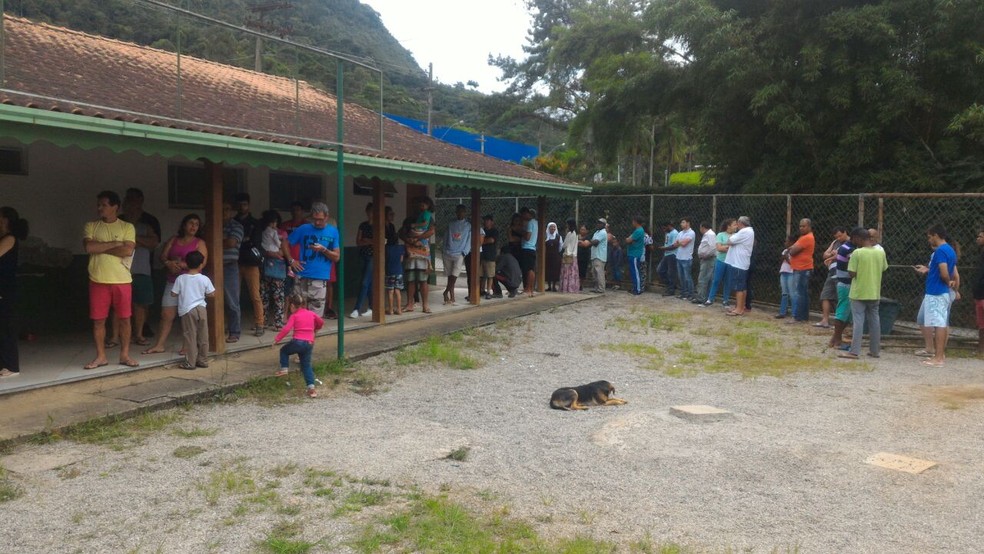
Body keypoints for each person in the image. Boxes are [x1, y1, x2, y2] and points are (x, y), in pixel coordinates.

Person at [83, 191, 138, 369]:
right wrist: (115, 244)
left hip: (122, 280)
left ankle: (124, 355)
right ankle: (101, 356)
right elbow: (89, 247)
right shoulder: (91, 225)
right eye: (98, 205)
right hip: (98, 279)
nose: (100, 208)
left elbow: (128, 251)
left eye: (104, 205)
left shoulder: (127, 227)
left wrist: (101, 247)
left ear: (115, 207)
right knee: (98, 320)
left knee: (125, 319)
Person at [142, 214, 207, 355]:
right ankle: (159, 345)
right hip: (172, 281)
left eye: (196, 224)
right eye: (191, 223)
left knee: (188, 315)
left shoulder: (199, 243)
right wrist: (168, 263)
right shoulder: (174, 239)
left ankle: (187, 345)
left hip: (191, 284)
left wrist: (180, 265)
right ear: (184, 225)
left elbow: (201, 264)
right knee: (166, 313)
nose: (193, 226)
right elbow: (163, 256)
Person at [118, 188, 160, 347]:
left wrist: (132, 239)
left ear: (141, 201)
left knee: (141, 304)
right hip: (120, 270)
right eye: (127, 200)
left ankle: (139, 333)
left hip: (143, 268)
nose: (130, 203)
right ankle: (118, 336)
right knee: (121, 305)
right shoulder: (118, 221)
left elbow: (154, 243)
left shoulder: (148, 222)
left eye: (133, 200)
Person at [840, 229, 888, 360]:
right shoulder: (880, 252)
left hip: (858, 292)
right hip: (874, 292)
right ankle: (875, 350)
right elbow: (884, 268)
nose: (853, 241)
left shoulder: (857, 253)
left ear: (859, 238)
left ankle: (854, 351)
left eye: (854, 239)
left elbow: (852, 273)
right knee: (874, 321)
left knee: (858, 322)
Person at [288, 202, 340, 319]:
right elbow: (285, 242)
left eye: (320, 219)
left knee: (315, 317)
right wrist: (291, 260)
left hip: (319, 278)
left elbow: (337, 257)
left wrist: (323, 250)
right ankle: (301, 337)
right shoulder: (303, 229)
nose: (317, 222)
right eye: (315, 219)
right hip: (301, 276)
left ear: (326, 217)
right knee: (298, 314)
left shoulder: (333, 232)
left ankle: (311, 338)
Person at [914, 224, 957, 367]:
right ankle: (938, 355)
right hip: (939, 291)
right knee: (940, 323)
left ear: (936, 235)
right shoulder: (950, 250)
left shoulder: (940, 251)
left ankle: (938, 358)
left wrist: (947, 281)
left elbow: (944, 271)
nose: (929, 240)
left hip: (937, 291)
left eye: (930, 237)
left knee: (939, 324)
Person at [272, 293, 325, 398]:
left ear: (292, 306)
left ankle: (284, 369)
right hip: (309, 343)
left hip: (297, 342)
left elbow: (286, 329)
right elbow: (321, 322)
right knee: (306, 366)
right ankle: (312, 389)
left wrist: (277, 340)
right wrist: (316, 328)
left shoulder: (294, 315)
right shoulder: (311, 314)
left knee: (284, 351)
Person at [170, 250, 215, 370]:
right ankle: (203, 360)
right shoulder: (204, 279)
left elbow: (173, 294)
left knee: (190, 336)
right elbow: (212, 294)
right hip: (201, 308)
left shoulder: (181, 278)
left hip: (187, 310)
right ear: (201, 265)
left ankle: (190, 362)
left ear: (186, 264)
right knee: (203, 335)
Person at [0, 207, 28, 378]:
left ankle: (11, 366)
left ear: (5, 220)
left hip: (5, 288)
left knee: (6, 327)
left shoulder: (9, 238)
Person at [233, 193, 265, 336]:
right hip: (235, 262)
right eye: (240, 204)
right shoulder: (232, 221)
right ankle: (234, 326)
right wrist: (244, 240)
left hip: (252, 263)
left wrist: (240, 242)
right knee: (234, 296)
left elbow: (255, 242)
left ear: (249, 205)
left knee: (255, 296)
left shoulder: (255, 222)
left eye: (244, 204)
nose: (242, 207)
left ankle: (260, 324)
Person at [829, 227, 864, 349]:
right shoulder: (850, 250)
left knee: (847, 313)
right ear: (856, 238)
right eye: (862, 240)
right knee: (842, 311)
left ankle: (835, 337)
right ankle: (837, 338)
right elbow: (853, 269)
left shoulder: (847, 247)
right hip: (846, 284)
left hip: (844, 283)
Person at [260, 209, 292, 330]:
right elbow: (281, 247)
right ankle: (277, 322)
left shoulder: (263, 232)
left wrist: (269, 252)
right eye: (273, 222)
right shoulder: (276, 233)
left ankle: (263, 321)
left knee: (265, 295)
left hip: (267, 264)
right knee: (278, 295)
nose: (274, 224)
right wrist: (279, 247)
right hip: (277, 264)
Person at [400, 212, 433, 313]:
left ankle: (425, 305)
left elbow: (431, 231)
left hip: (423, 256)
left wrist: (417, 238)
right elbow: (401, 233)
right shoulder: (409, 220)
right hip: (411, 255)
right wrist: (410, 241)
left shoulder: (428, 219)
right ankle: (410, 304)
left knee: (423, 281)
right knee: (411, 280)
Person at [816, 227, 848, 328]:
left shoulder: (850, 243)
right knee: (825, 295)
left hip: (842, 272)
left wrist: (833, 256)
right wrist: (831, 255)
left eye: (840, 235)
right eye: (836, 236)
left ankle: (840, 322)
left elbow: (844, 255)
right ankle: (825, 320)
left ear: (845, 232)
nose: (838, 238)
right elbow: (825, 254)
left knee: (840, 298)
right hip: (832, 271)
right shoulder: (835, 242)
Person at [221, 202, 244, 343]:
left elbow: (231, 243)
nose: (224, 211)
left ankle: (234, 331)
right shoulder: (211, 224)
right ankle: (216, 329)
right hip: (212, 266)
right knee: (210, 300)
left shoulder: (236, 226)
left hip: (230, 266)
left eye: (227, 209)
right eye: (222, 209)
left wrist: (216, 240)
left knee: (232, 301)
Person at [787, 218, 815, 323]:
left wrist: (792, 248)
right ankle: (803, 317)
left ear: (809, 226)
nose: (801, 228)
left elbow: (792, 251)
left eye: (804, 226)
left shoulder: (806, 238)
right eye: (800, 226)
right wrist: (792, 248)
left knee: (799, 293)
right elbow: (792, 248)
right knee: (803, 293)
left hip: (802, 268)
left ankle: (797, 317)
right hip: (802, 268)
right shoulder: (804, 237)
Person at [724, 216, 754, 316]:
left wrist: (733, 233)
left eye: (737, 223)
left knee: (739, 288)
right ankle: (740, 306)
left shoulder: (744, 232)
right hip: (742, 262)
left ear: (741, 223)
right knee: (743, 287)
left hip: (739, 263)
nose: (736, 225)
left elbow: (729, 241)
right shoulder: (749, 231)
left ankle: (739, 309)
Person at [442, 204, 471, 305]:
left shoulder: (468, 225)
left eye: (462, 211)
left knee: (454, 275)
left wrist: (464, 252)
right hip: (448, 252)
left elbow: (469, 240)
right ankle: (452, 297)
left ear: (465, 212)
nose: (460, 213)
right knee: (450, 276)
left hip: (460, 253)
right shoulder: (451, 224)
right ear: (456, 212)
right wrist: (444, 249)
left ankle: (446, 291)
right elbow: (446, 237)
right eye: (458, 211)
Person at [703, 219, 735, 307]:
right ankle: (710, 299)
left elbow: (732, 248)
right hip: (721, 260)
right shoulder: (720, 235)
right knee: (716, 280)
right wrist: (730, 247)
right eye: (734, 224)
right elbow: (719, 248)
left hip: (731, 262)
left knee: (728, 281)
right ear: (728, 226)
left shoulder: (736, 235)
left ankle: (726, 300)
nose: (736, 226)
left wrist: (725, 247)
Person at [352, 203, 376, 318]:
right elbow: (358, 241)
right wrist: (368, 241)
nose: (370, 214)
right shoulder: (363, 225)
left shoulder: (378, 225)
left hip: (373, 256)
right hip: (363, 254)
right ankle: (372, 306)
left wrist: (368, 240)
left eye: (372, 211)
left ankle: (357, 308)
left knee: (364, 282)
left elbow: (379, 241)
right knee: (369, 283)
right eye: (369, 211)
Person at [280, 201, 308, 296]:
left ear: (303, 211)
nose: (295, 212)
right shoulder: (285, 225)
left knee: (303, 290)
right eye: (293, 210)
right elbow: (281, 242)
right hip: (287, 261)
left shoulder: (308, 226)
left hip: (303, 262)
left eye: (298, 210)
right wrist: (290, 260)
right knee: (287, 289)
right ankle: (288, 310)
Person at [692, 221, 717, 304]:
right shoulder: (708, 234)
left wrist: (706, 255)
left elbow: (713, 248)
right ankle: (705, 297)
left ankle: (701, 297)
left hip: (708, 259)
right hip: (706, 258)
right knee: (706, 278)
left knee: (703, 278)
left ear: (702, 227)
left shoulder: (710, 234)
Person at [385, 214, 405, 315]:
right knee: (398, 291)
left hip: (390, 272)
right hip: (399, 272)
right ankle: (399, 310)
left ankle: (391, 310)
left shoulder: (387, 249)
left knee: (390, 291)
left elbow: (387, 260)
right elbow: (401, 260)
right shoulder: (401, 248)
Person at [673, 217, 696, 299]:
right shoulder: (680, 233)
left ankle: (691, 294)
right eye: (681, 222)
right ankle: (683, 293)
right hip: (679, 257)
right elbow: (675, 244)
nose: (681, 224)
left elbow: (684, 244)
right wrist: (680, 242)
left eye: (683, 222)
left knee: (687, 277)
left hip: (687, 258)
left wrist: (680, 242)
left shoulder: (691, 233)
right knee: (681, 277)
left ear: (688, 223)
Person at [519, 207, 538, 297]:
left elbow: (528, 237)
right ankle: (531, 288)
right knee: (531, 269)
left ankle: (528, 289)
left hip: (527, 248)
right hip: (533, 248)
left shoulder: (530, 223)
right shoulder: (536, 222)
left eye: (523, 215)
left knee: (528, 270)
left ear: (526, 214)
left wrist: (521, 231)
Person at [625, 216, 646, 295]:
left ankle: (637, 289)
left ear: (636, 222)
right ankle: (635, 287)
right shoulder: (637, 230)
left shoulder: (639, 231)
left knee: (635, 272)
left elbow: (628, 240)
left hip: (635, 253)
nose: (632, 222)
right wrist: (629, 240)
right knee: (633, 271)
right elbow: (628, 240)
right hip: (632, 253)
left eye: (633, 221)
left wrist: (629, 240)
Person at [656, 221, 678, 296]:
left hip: (672, 254)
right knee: (660, 270)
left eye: (665, 228)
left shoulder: (674, 233)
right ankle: (671, 285)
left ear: (669, 226)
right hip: (667, 254)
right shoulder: (667, 233)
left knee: (671, 273)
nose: (664, 230)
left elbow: (675, 246)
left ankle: (671, 289)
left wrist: (665, 248)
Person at [775, 235, 795, 319]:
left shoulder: (794, 251)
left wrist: (786, 257)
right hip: (784, 271)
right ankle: (782, 311)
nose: (785, 243)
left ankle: (794, 312)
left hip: (791, 272)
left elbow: (792, 263)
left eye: (787, 241)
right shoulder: (785, 251)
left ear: (791, 242)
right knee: (784, 293)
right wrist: (784, 256)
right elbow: (781, 260)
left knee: (792, 293)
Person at [480, 215, 499, 299]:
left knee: (490, 275)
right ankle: (481, 290)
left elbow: (491, 240)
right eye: (485, 220)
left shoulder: (494, 231)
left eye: (487, 220)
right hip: (482, 255)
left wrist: (481, 241)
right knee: (481, 275)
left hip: (490, 256)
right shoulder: (482, 230)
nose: (485, 222)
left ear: (492, 222)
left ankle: (488, 291)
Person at [560, 218, 580, 293]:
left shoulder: (569, 234)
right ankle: (573, 287)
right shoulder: (576, 233)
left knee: (566, 272)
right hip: (573, 255)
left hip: (567, 254)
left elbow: (564, 245)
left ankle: (566, 287)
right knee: (573, 272)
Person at [589, 218, 608, 293]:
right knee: (594, 272)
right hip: (595, 254)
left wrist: (589, 241)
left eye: (600, 223)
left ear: (604, 225)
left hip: (600, 255)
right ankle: (597, 287)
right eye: (598, 223)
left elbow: (595, 242)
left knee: (599, 272)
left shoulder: (603, 232)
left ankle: (601, 288)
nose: (598, 224)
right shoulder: (597, 232)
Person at [974, 228, 984, 357]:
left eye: (981, 236)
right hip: (979, 294)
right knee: (981, 323)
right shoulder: (981, 254)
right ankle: (981, 348)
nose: (978, 238)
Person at [545, 222, 562, 292]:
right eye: (551, 227)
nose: (552, 228)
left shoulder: (558, 236)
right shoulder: (545, 236)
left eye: (554, 227)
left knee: (555, 270)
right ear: (548, 228)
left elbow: (561, 246)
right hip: (547, 256)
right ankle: (549, 286)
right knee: (548, 270)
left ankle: (554, 286)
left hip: (555, 256)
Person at [576, 223, 591, 290]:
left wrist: (578, 242)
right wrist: (580, 242)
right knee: (576, 271)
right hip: (577, 256)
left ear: (587, 231)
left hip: (584, 257)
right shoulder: (577, 236)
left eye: (584, 230)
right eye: (581, 229)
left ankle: (581, 285)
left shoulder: (588, 237)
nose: (582, 231)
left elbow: (585, 244)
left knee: (582, 271)